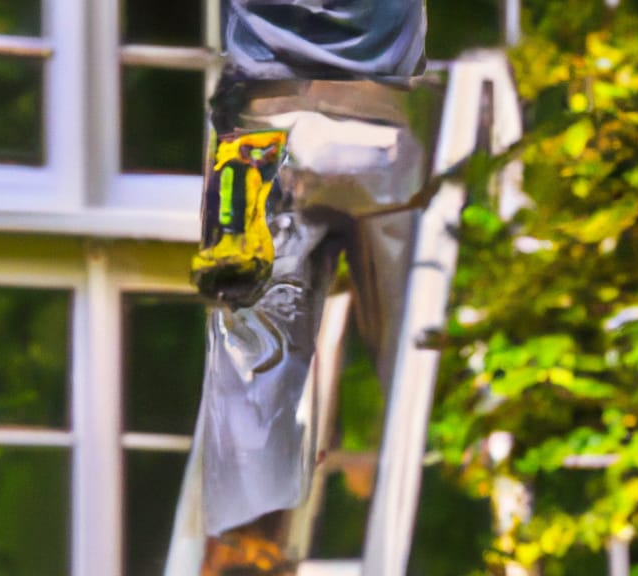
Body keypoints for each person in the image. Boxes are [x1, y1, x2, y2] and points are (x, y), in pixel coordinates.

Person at [176, 0, 438, 568]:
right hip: (381, 115)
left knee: (254, 377)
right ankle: (447, 525)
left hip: (261, 127)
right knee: (417, 364)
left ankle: (243, 549)